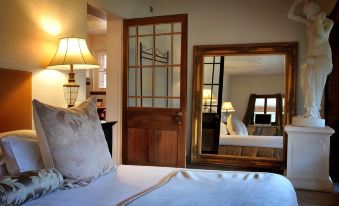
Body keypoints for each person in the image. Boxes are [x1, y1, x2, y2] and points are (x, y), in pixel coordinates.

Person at [288, 0, 334, 118]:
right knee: (307, 85)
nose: (307, 15)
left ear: (315, 10)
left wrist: (318, 20)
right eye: (305, 12)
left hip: (321, 59)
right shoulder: (309, 23)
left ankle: (314, 113)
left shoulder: (328, 22)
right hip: (310, 59)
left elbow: (321, 36)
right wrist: (296, 3)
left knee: (317, 86)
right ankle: (309, 111)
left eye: (307, 12)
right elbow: (290, 15)